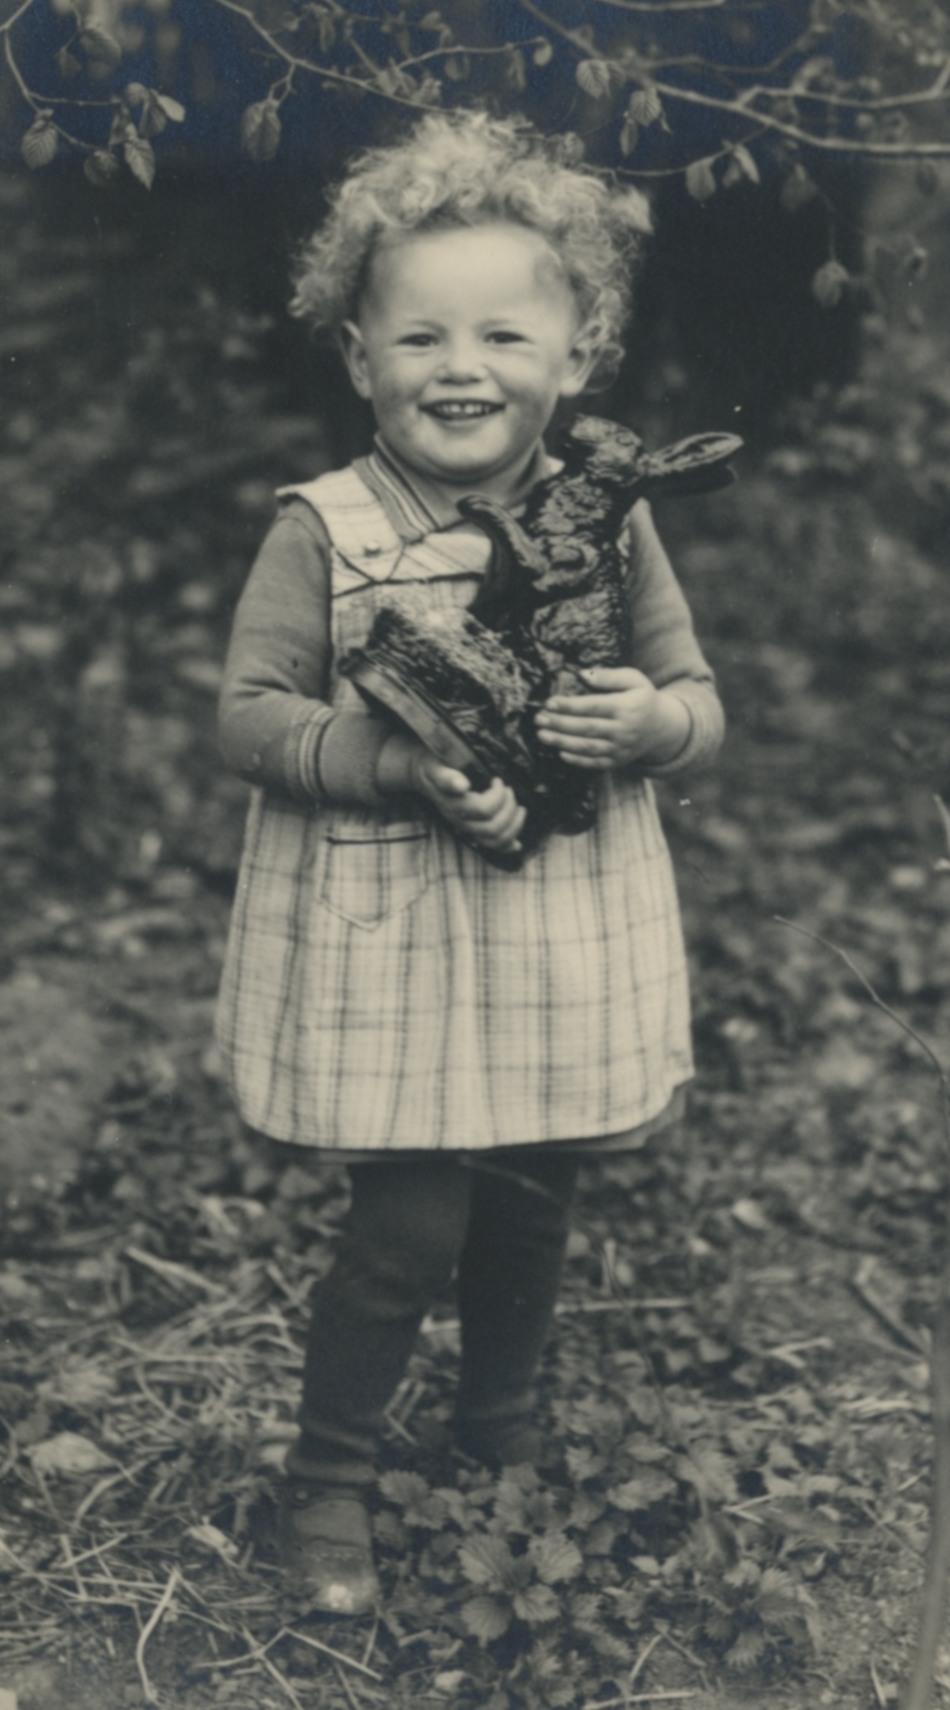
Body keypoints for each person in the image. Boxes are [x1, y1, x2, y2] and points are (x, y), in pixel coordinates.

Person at [215, 109, 725, 1616]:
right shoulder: (327, 530)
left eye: (504, 332)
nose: (461, 365)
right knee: (411, 1217)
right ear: (359, 356)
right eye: (418, 333)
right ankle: (329, 1482)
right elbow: (249, 719)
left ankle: (493, 1431)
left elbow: (699, 701)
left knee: (532, 1187)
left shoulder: (609, 522)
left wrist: (647, 721)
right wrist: (381, 761)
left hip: (555, 917)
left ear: (575, 358)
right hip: (394, 926)